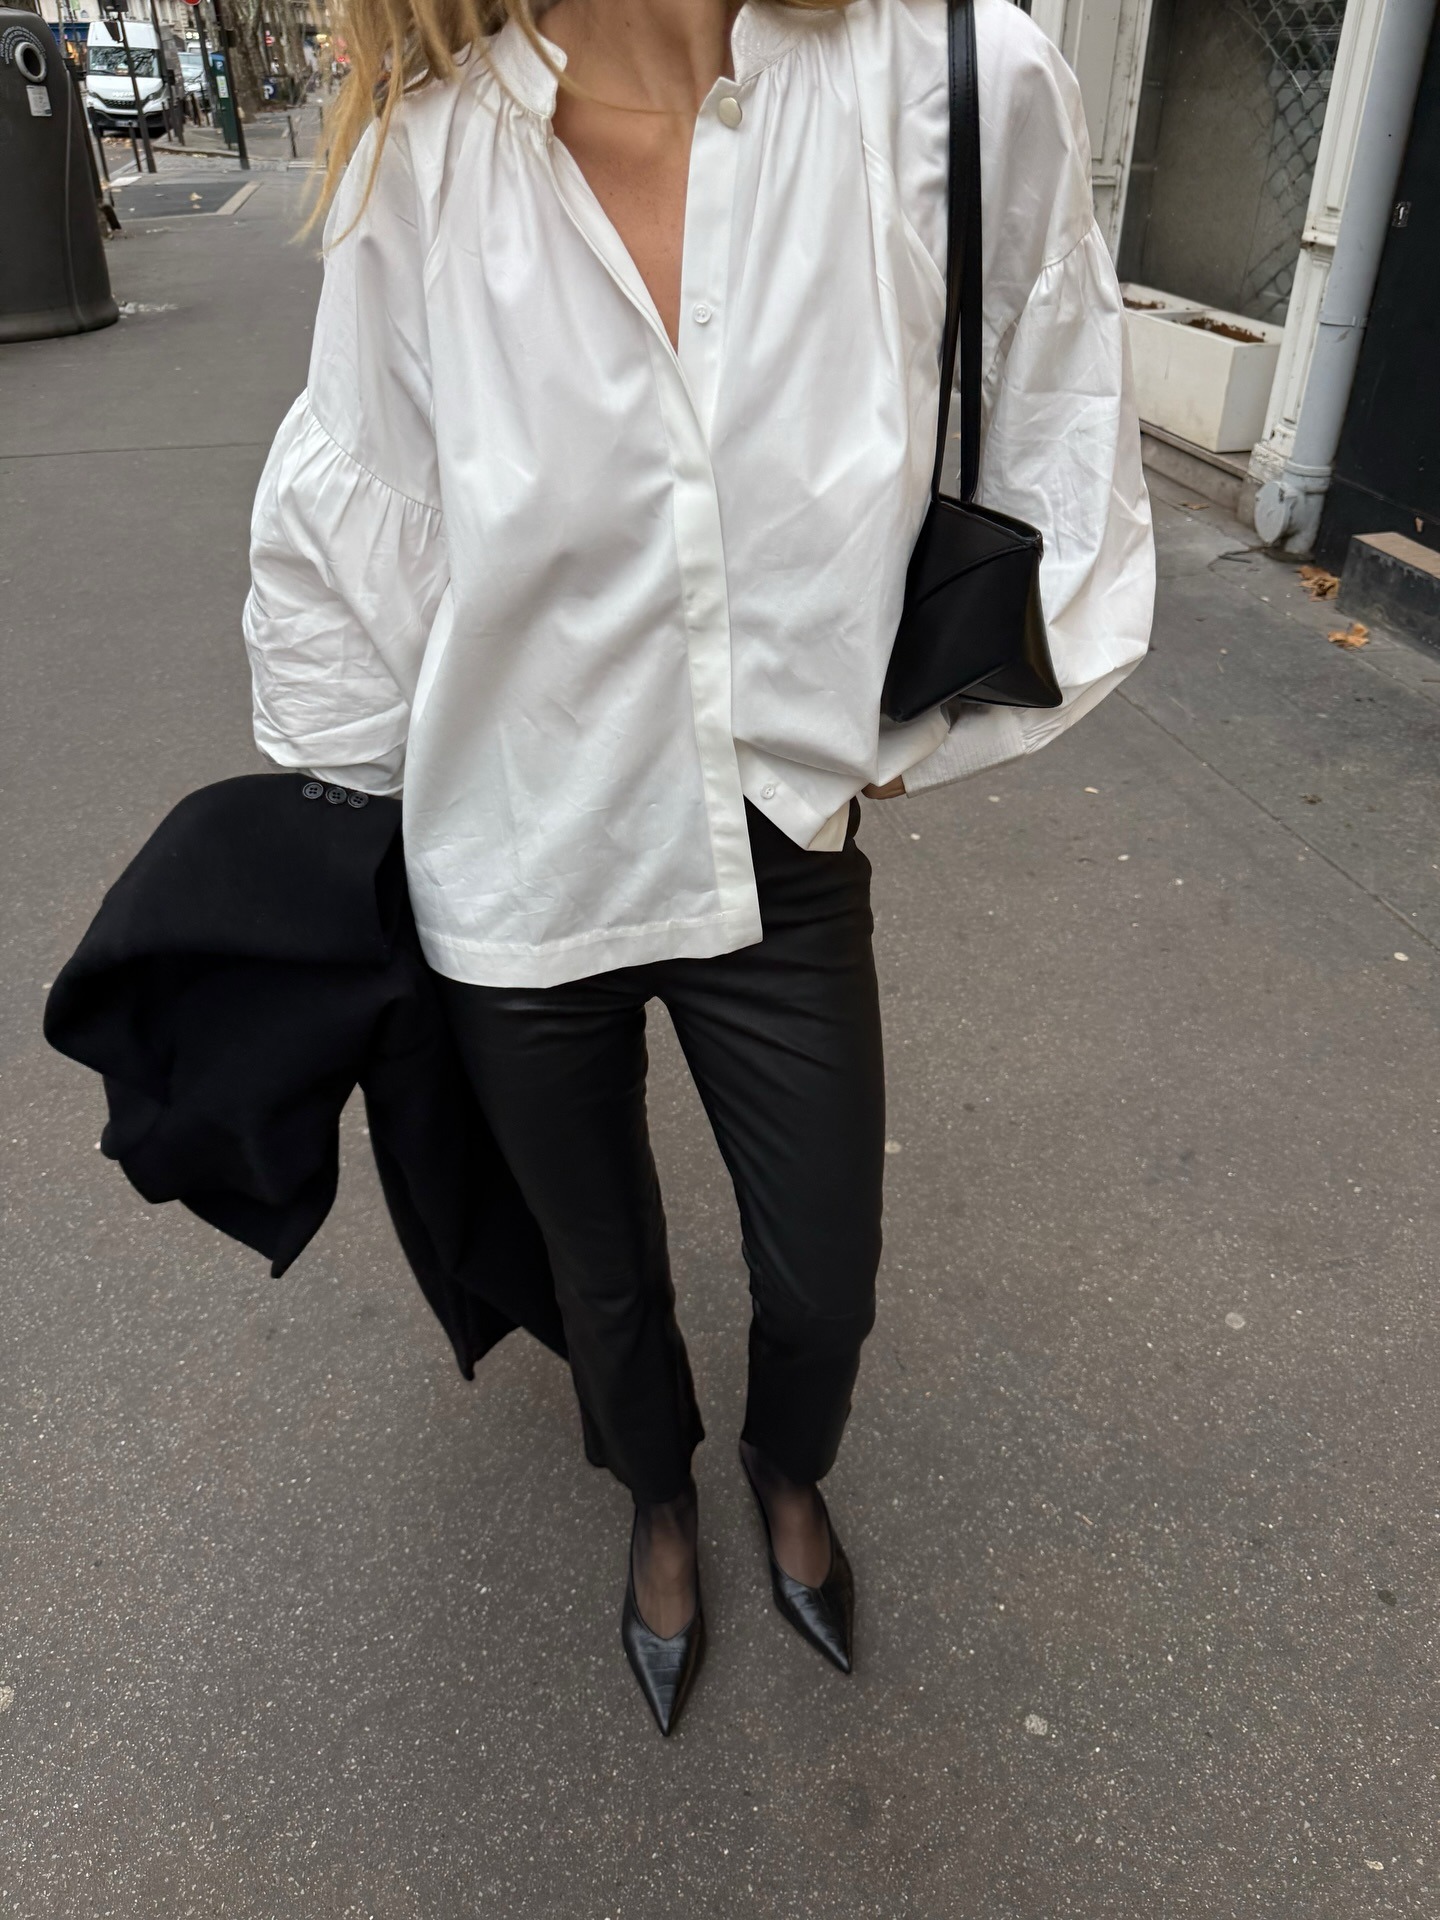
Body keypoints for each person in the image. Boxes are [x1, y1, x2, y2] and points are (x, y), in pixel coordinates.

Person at [242, 0, 1153, 1734]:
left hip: (775, 841)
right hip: (518, 842)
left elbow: (1047, 385)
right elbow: (373, 502)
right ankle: (657, 1496)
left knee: (826, 1263)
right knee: (602, 1271)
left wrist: (907, 733)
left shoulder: (948, 78)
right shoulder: (430, 156)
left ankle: (784, 1467)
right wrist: (335, 824)